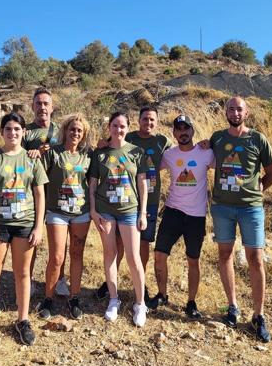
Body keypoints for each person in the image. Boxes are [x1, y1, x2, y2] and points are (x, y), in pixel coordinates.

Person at [209, 97, 272, 342]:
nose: (235, 113)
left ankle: (258, 316)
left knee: (255, 259)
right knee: (225, 254)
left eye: (239, 109)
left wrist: (259, 189)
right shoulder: (217, 138)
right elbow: (197, 151)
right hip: (222, 208)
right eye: (231, 108)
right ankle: (232, 306)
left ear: (246, 112)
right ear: (225, 111)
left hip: (251, 208)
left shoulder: (258, 139)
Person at [0, 112, 48, 352]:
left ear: (24, 132)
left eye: (17, 129)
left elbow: (40, 194)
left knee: (23, 274)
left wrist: (39, 227)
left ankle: (23, 320)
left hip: (25, 223)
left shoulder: (31, 159)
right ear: (2, 132)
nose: (13, 133)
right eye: (8, 129)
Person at [96, 106, 171, 302]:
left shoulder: (162, 141)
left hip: (149, 201)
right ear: (137, 121)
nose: (148, 123)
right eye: (145, 119)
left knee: (142, 245)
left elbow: (180, 151)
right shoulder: (130, 140)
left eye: (152, 120)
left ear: (157, 121)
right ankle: (111, 283)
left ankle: (141, 285)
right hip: (123, 201)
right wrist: (102, 143)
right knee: (118, 245)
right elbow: (112, 147)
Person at [148, 115, 214, 319]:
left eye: (187, 128)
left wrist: (212, 143)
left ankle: (191, 302)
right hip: (173, 211)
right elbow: (148, 167)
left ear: (193, 131)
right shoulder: (169, 155)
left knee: (193, 259)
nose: (183, 132)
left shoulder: (207, 153)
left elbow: (226, 167)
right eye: (179, 129)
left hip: (196, 215)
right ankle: (162, 294)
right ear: (174, 133)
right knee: (160, 254)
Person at [89, 112, 149, 327]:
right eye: (115, 125)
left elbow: (142, 184)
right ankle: (114, 299)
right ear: (109, 127)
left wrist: (142, 213)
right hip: (105, 210)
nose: (118, 129)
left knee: (133, 257)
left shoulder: (136, 152)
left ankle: (140, 303)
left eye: (122, 126)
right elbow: (93, 184)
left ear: (127, 128)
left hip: (129, 210)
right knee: (110, 254)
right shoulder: (100, 154)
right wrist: (93, 211)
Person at [36, 113, 93, 320]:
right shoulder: (54, 153)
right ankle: (49, 298)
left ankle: (74, 297)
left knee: (77, 254)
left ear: (84, 133)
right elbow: (39, 176)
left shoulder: (88, 155)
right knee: (57, 257)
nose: (75, 133)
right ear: (65, 131)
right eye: (72, 129)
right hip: (57, 211)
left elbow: (93, 181)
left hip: (80, 212)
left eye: (79, 130)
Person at [23, 87, 69, 297]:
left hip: (58, 193)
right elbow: (14, 157)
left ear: (52, 107)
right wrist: (29, 154)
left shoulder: (62, 130)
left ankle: (60, 279)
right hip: (32, 195)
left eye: (46, 103)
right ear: (32, 106)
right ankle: (28, 280)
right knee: (30, 239)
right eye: (38, 103)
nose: (42, 107)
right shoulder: (25, 132)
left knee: (61, 241)